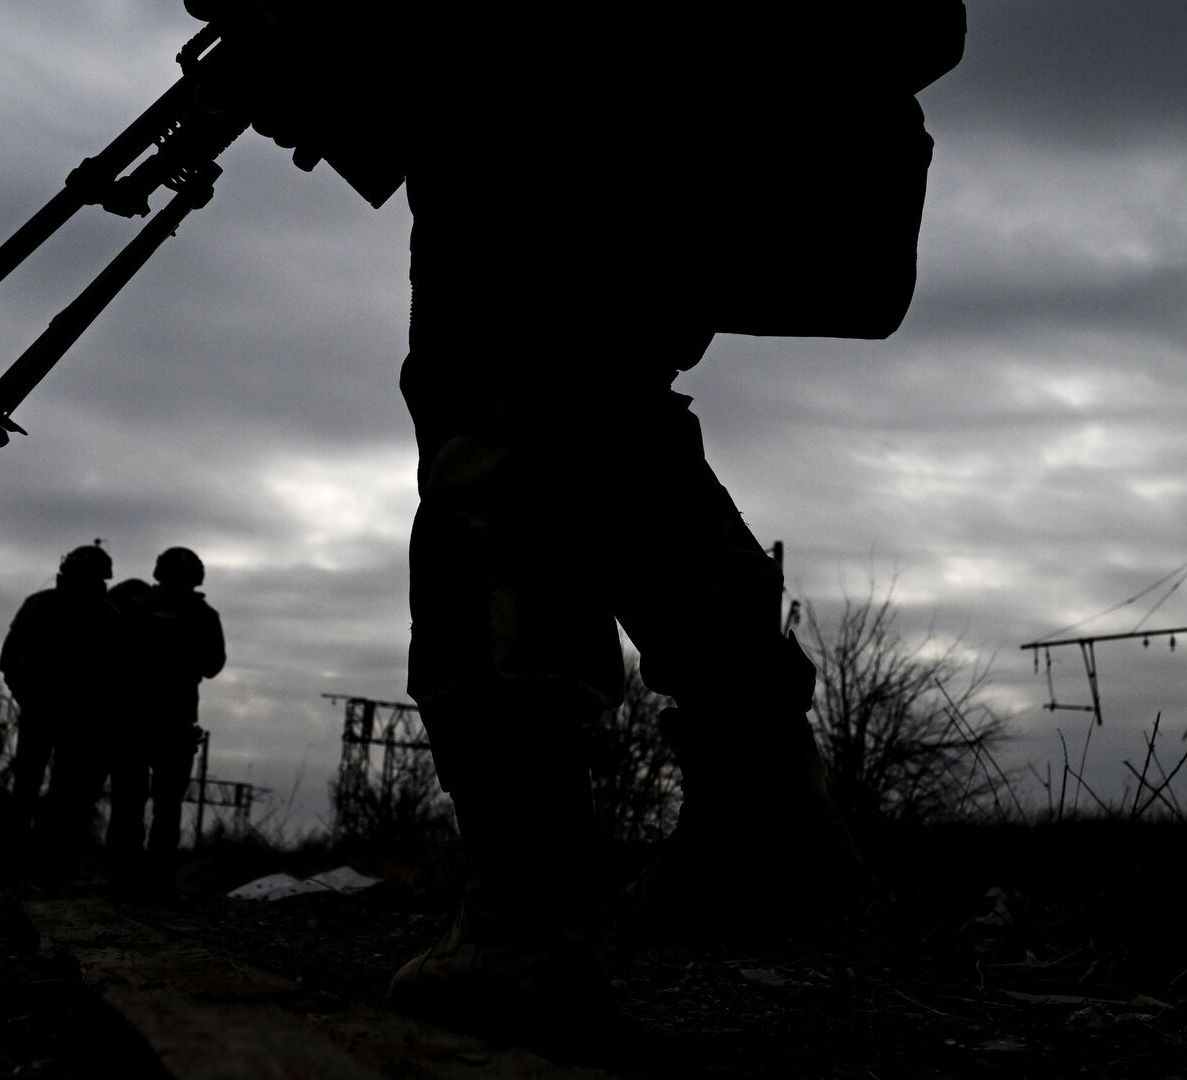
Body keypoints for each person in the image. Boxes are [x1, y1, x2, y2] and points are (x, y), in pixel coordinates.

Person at [184, 1, 967, 1027]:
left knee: (496, 423)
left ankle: (524, 917)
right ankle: (762, 794)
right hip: (700, 94)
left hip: (574, 89)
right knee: (596, 405)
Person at [106, 547, 226, 878]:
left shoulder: (135, 608)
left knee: (130, 803)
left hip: (135, 720)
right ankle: (155, 877)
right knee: (165, 805)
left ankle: (124, 876)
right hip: (170, 721)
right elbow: (213, 665)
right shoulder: (203, 615)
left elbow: (110, 657)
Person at [0, 541, 119, 856]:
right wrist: (27, 695)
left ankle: (44, 858)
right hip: (45, 710)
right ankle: (18, 857)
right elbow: (10, 659)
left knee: (63, 791)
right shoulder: (42, 606)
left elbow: (118, 670)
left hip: (78, 716)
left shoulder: (107, 615)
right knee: (30, 786)